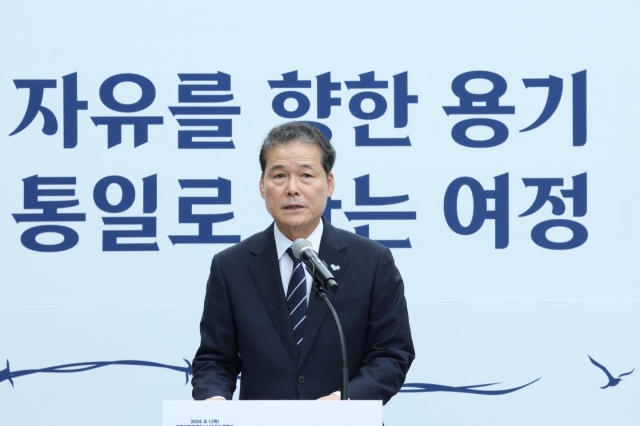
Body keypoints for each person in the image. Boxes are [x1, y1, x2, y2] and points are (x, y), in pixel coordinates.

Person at [191, 121, 414, 404]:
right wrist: (215, 401)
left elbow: (392, 354)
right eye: (279, 176)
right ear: (262, 186)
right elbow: (214, 360)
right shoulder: (230, 266)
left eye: (306, 175)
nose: (292, 188)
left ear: (329, 183)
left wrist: (342, 400)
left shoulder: (372, 262)